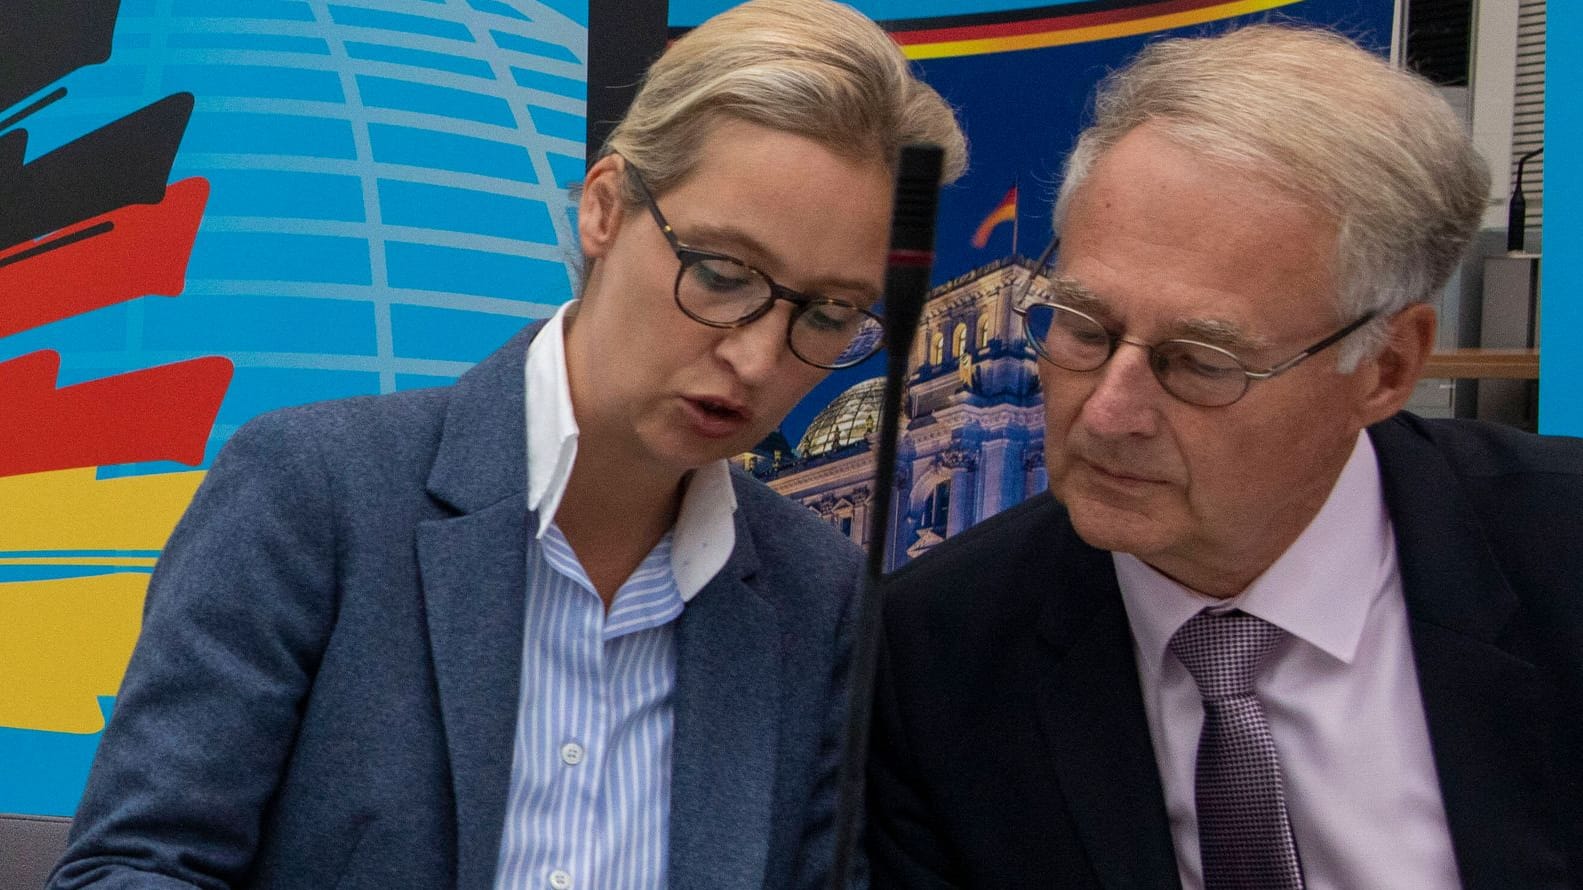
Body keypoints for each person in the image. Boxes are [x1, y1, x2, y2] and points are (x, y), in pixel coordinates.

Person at [50, 1, 966, 887]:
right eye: (722, 275)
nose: (758, 355)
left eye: (829, 313)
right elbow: (133, 868)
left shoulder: (821, 595)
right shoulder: (318, 490)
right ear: (604, 208)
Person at [868, 23, 1582, 890]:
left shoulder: (1557, 554)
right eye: (1084, 328)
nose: (1109, 411)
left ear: (1385, 369)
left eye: (1201, 363)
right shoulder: (938, 657)